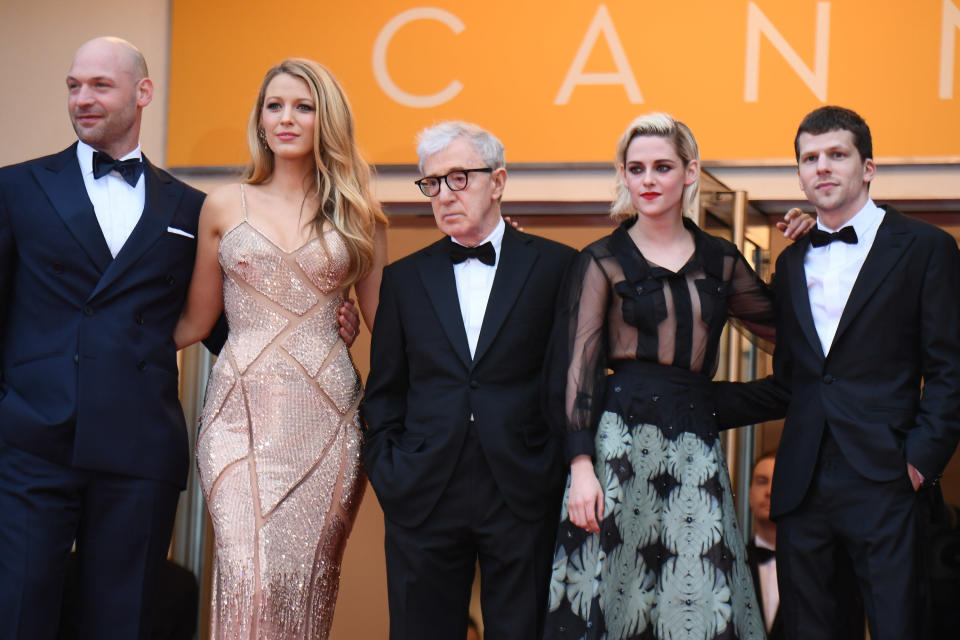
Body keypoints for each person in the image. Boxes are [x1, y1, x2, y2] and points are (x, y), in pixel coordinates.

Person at [713, 105, 960, 640]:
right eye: (809, 158)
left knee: (901, 629)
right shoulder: (790, 262)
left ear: (867, 167)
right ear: (799, 173)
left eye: (836, 155)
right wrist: (691, 403)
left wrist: (919, 462)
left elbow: (950, 369)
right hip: (802, 490)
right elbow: (792, 383)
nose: (821, 167)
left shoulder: (926, 248)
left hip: (889, 479)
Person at [543, 112, 785, 640]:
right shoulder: (601, 260)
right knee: (612, 598)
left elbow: (786, 334)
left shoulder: (721, 260)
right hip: (616, 447)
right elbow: (578, 368)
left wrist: (810, 246)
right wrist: (581, 465)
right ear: (624, 177)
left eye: (662, 166)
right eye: (635, 168)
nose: (648, 180)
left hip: (694, 446)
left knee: (695, 602)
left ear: (690, 172)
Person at [0, 36, 210, 639]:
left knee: (123, 625)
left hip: (140, 445)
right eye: (74, 85)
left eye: (99, 86)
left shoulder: (191, 206)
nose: (82, 99)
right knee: (17, 617)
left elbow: (221, 320)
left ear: (143, 93)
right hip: (33, 441)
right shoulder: (17, 188)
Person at [174, 59, 386, 638]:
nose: (286, 118)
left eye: (303, 106)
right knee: (248, 573)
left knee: (304, 582)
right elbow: (193, 322)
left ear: (328, 119)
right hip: (236, 420)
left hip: (329, 421)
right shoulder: (222, 205)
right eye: (274, 105)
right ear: (259, 118)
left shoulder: (360, 214)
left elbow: (392, 330)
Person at [362, 121, 577, 639]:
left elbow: (568, 379)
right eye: (432, 183)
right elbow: (385, 389)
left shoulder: (558, 266)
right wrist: (390, 470)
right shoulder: (404, 279)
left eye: (458, 178)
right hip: (422, 489)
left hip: (523, 487)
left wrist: (555, 467)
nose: (443, 195)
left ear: (497, 182)